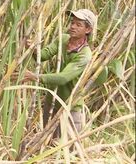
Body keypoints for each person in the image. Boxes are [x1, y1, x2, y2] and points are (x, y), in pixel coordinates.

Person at [23, 9, 97, 137]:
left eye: (78, 25)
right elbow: (44, 55)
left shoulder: (84, 55)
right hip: (52, 101)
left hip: (70, 105)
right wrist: (32, 49)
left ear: (88, 30)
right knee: (47, 140)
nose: (73, 26)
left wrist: (35, 77)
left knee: (67, 148)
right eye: (72, 23)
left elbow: (63, 78)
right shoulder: (63, 39)